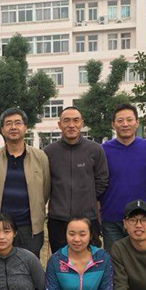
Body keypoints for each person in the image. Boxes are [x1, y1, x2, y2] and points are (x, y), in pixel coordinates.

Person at [100, 103, 146, 290]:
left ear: (137, 122)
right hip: (111, 218)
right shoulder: (104, 149)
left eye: (129, 119)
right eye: (120, 120)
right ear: (113, 124)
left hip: (139, 220)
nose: (125, 124)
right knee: (116, 269)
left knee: (141, 267)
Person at [0, 108, 50, 259]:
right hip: (1, 227)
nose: (13, 127)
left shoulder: (40, 157)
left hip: (30, 227)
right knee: (3, 267)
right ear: (2, 129)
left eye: (18, 123)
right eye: (8, 123)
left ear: (25, 127)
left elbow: (45, 190)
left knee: (29, 266)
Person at [44, 106, 109, 253]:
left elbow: (102, 180)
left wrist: (87, 197)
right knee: (60, 261)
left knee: (90, 261)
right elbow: (45, 183)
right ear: (59, 124)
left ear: (82, 123)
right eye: (66, 121)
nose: (71, 125)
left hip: (88, 218)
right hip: (58, 219)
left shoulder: (95, 150)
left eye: (76, 120)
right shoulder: (49, 152)